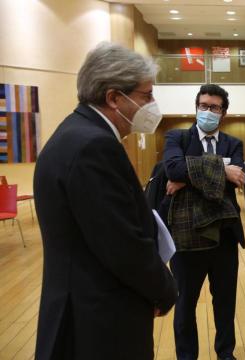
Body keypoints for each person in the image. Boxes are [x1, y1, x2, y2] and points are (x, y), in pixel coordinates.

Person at [33, 42, 178, 360]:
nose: (152, 104)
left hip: (83, 309)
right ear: (114, 97)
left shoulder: (73, 133)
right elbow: (120, 242)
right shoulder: (94, 146)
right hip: (100, 322)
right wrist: (165, 289)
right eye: (146, 95)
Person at [163, 84, 245, 360]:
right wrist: (222, 168)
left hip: (224, 236)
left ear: (223, 113)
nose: (208, 111)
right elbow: (172, 168)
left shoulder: (234, 144)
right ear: (196, 107)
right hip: (187, 237)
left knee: (225, 302)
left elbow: (237, 179)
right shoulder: (177, 137)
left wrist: (188, 176)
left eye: (214, 107)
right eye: (203, 106)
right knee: (185, 304)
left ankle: (226, 353)